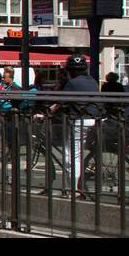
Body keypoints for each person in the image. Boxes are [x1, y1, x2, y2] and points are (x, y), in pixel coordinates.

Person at [50, 54, 99, 198]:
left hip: (80, 121)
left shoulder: (72, 83)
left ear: (70, 70)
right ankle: (70, 186)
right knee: (79, 152)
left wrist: (47, 112)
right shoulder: (93, 81)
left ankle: (73, 189)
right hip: (94, 120)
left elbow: (60, 102)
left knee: (71, 155)